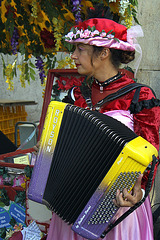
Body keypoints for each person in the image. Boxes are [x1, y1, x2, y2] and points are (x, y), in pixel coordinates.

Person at [45, 7, 160, 240]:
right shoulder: (76, 95)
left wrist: (139, 190)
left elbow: (151, 152)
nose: (73, 56)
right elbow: (58, 141)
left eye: (80, 49)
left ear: (104, 52)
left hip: (116, 207)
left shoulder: (140, 97)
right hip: (70, 202)